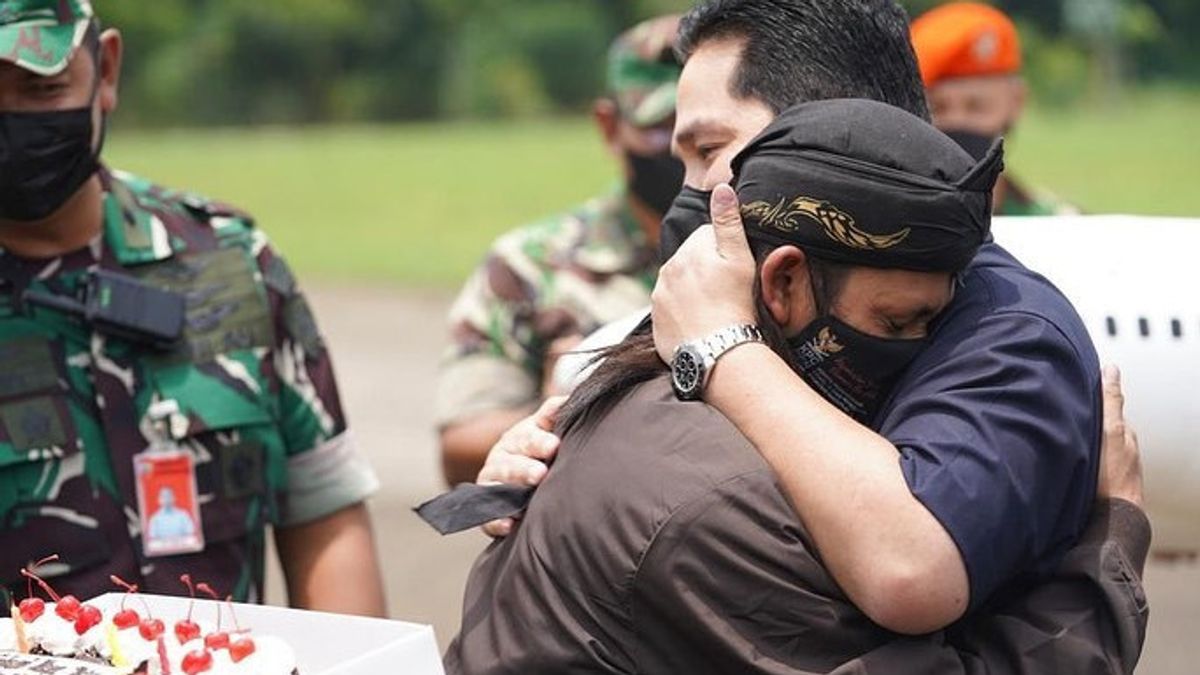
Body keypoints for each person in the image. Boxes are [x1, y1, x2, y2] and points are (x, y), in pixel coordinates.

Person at [457, 0, 1147, 665]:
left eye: (710, 148)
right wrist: (545, 450)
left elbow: (910, 567)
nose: (689, 190)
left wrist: (721, 354)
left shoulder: (1003, 331)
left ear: (832, 135)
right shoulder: (747, 289)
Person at [0, 1, 386, 616]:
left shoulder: (231, 263)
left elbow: (324, 512)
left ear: (105, 72)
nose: (11, 120)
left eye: (41, 86)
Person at [436, 15, 684, 486]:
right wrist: (564, 406)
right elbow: (459, 449)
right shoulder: (531, 264)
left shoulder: (780, 250)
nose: (680, 144)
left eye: (704, 125)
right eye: (662, 123)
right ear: (609, 127)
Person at [911, 2, 1079, 215]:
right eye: (937, 108)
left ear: (1016, 102)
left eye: (977, 107)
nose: (957, 121)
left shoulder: (1059, 225)